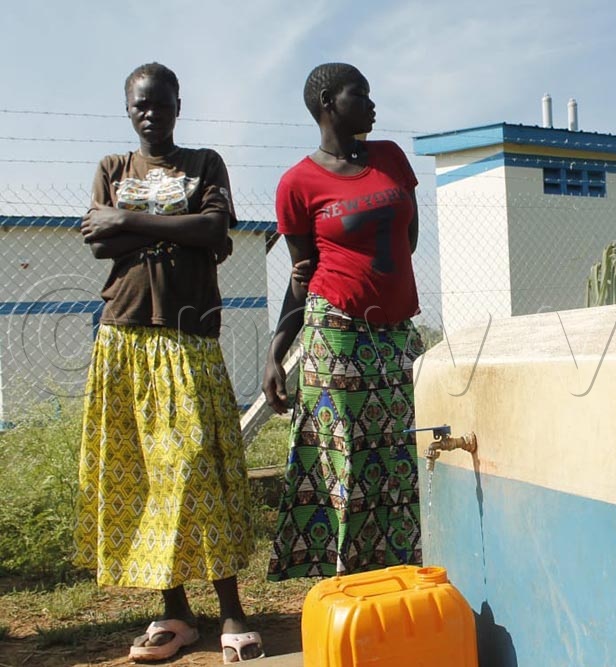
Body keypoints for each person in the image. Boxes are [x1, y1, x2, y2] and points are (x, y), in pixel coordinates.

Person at [75, 62, 264, 664]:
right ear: (128, 110)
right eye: (139, 106)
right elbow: (98, 243)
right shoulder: (112, 168)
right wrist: (176, 229)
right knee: (148, 477)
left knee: (198, 471)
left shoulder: (205, 164)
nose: (150, 113)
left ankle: (232, 609)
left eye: (160, 103)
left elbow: (214, 231)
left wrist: (129, 219)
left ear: (179, 105)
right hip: (125, 336)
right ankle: (175, 613)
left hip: (189, 337)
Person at [263, 62, 424, 581]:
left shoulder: (392, 158)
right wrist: (275, 354)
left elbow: (409, 238)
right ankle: (348, 580)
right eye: (362, 93)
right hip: (337, 332)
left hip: (397, 329)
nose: (373, 102)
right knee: (346, 458)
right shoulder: (297, 183)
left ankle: (405, 572)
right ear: (329, 101)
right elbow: (301, 274)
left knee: (405, 450)